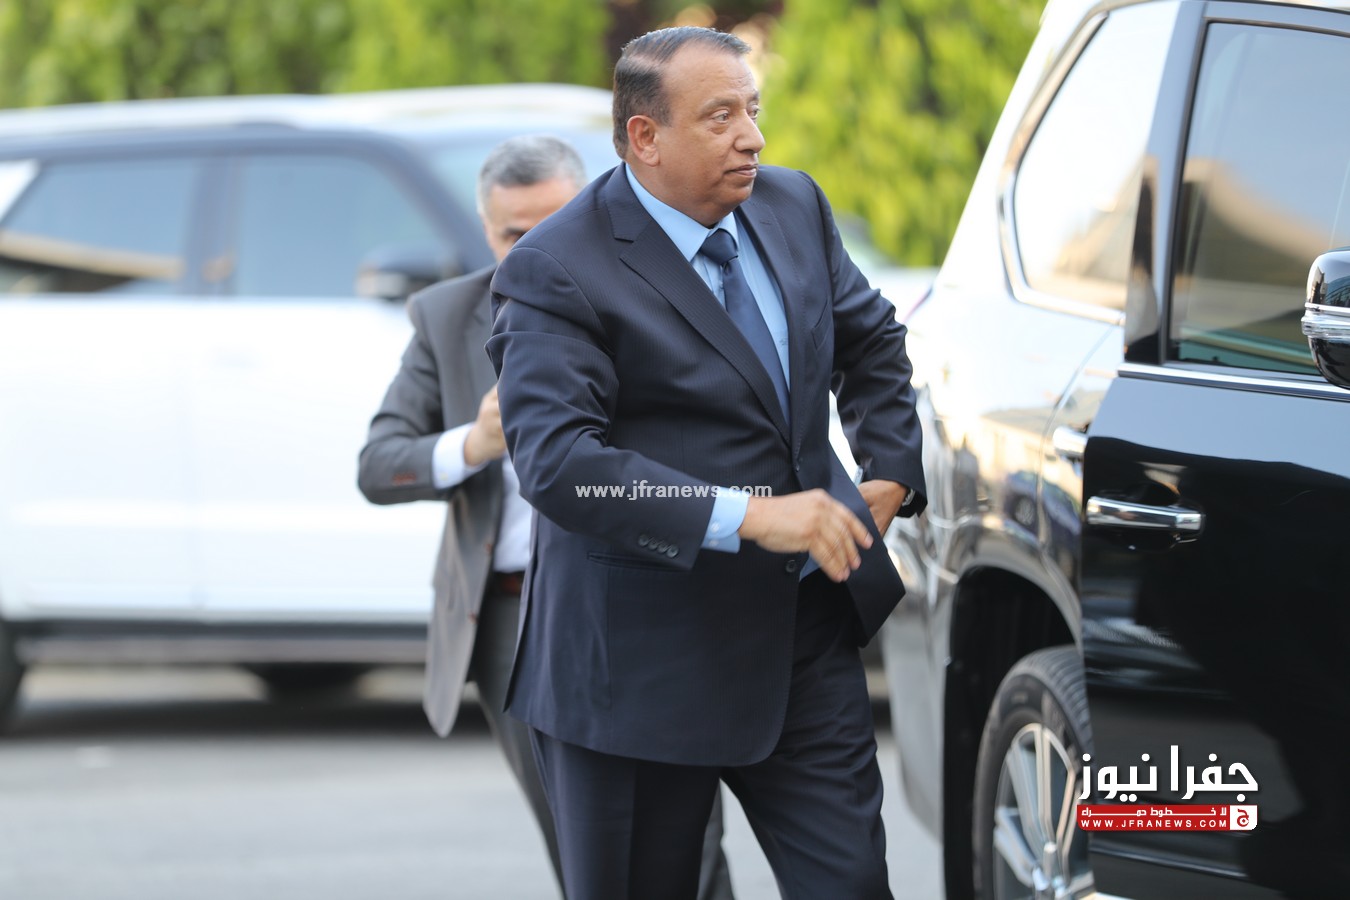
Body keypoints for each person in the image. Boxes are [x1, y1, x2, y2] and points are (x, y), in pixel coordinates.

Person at [486, 27, 927, 900]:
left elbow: (872, 339)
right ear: (645, 137)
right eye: (721, 116)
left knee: (852, 886)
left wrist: (891, 472)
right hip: (637, 664)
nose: (751, 138)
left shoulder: (793, 204)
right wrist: (752, 515)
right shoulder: (554, 268)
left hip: (802, 635)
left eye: (752, 110)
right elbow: (561, 463)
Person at [358, 134, 735, 899]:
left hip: (644, 598)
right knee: (582, 847)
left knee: (688, 844)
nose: (537, 249)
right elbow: (378, 464)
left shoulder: (653, 296)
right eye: (514, 234)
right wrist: (474, 443)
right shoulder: (446, 316)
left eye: (556, 224)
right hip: (514, 619)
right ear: (485, 230)